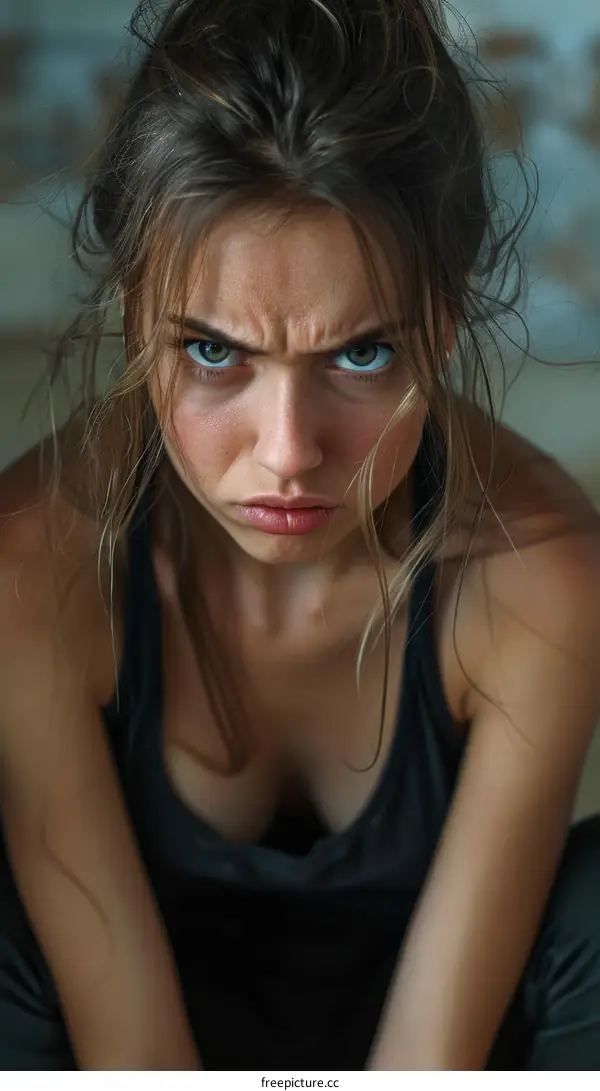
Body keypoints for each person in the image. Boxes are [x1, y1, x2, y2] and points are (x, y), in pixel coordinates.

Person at [1, 0, 600, 1072]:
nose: (287, 451)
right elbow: (130, 1055)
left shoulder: (537, 572)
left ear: (446, 326)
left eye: (362, 355)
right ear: (137, 315)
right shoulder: (34, 566)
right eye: (215, 353)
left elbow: (430, 1059)